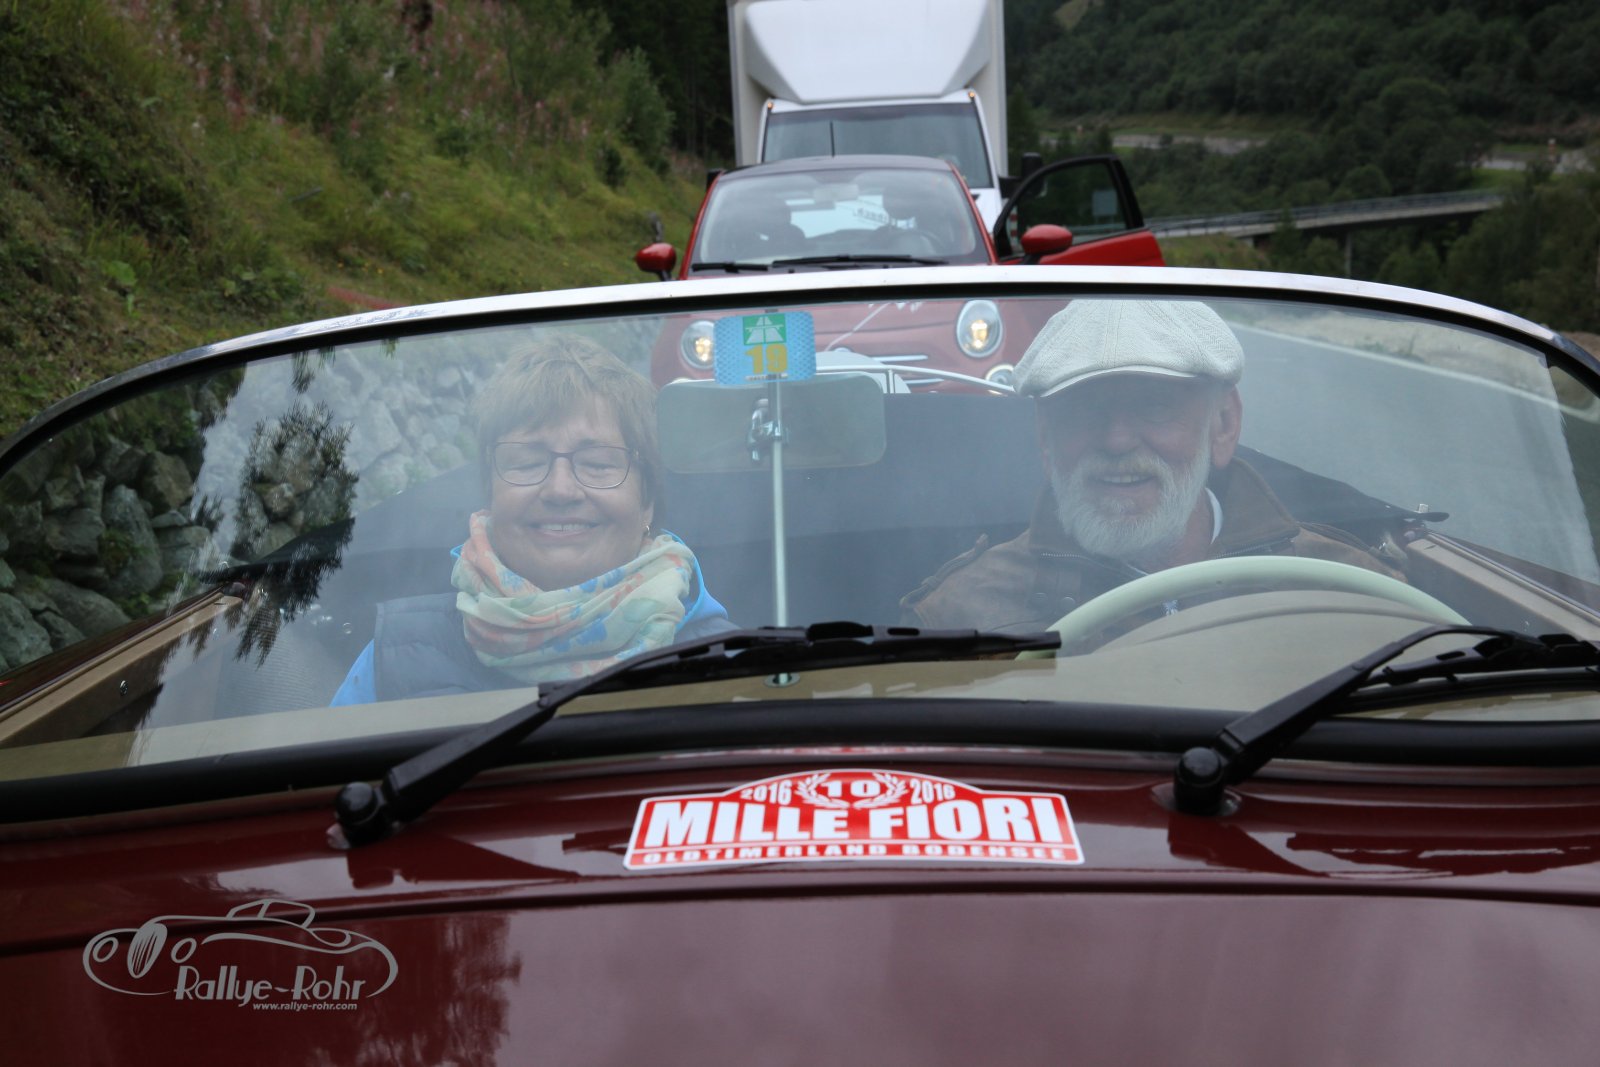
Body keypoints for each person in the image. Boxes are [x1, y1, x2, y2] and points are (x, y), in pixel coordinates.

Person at [901, 298, 1402, 633]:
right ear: (1045, 439)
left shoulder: (1348, 590)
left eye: (1154, 406)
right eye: (1085, 410)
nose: (1116, 440)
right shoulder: (961, 615)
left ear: (1223, 424)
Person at [332, 336, 731, 704]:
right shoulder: (390, 664)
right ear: (490, 496)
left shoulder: (736, 667)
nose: (560, 490)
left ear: (648, 501)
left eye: (597, 463)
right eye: (526, 462)